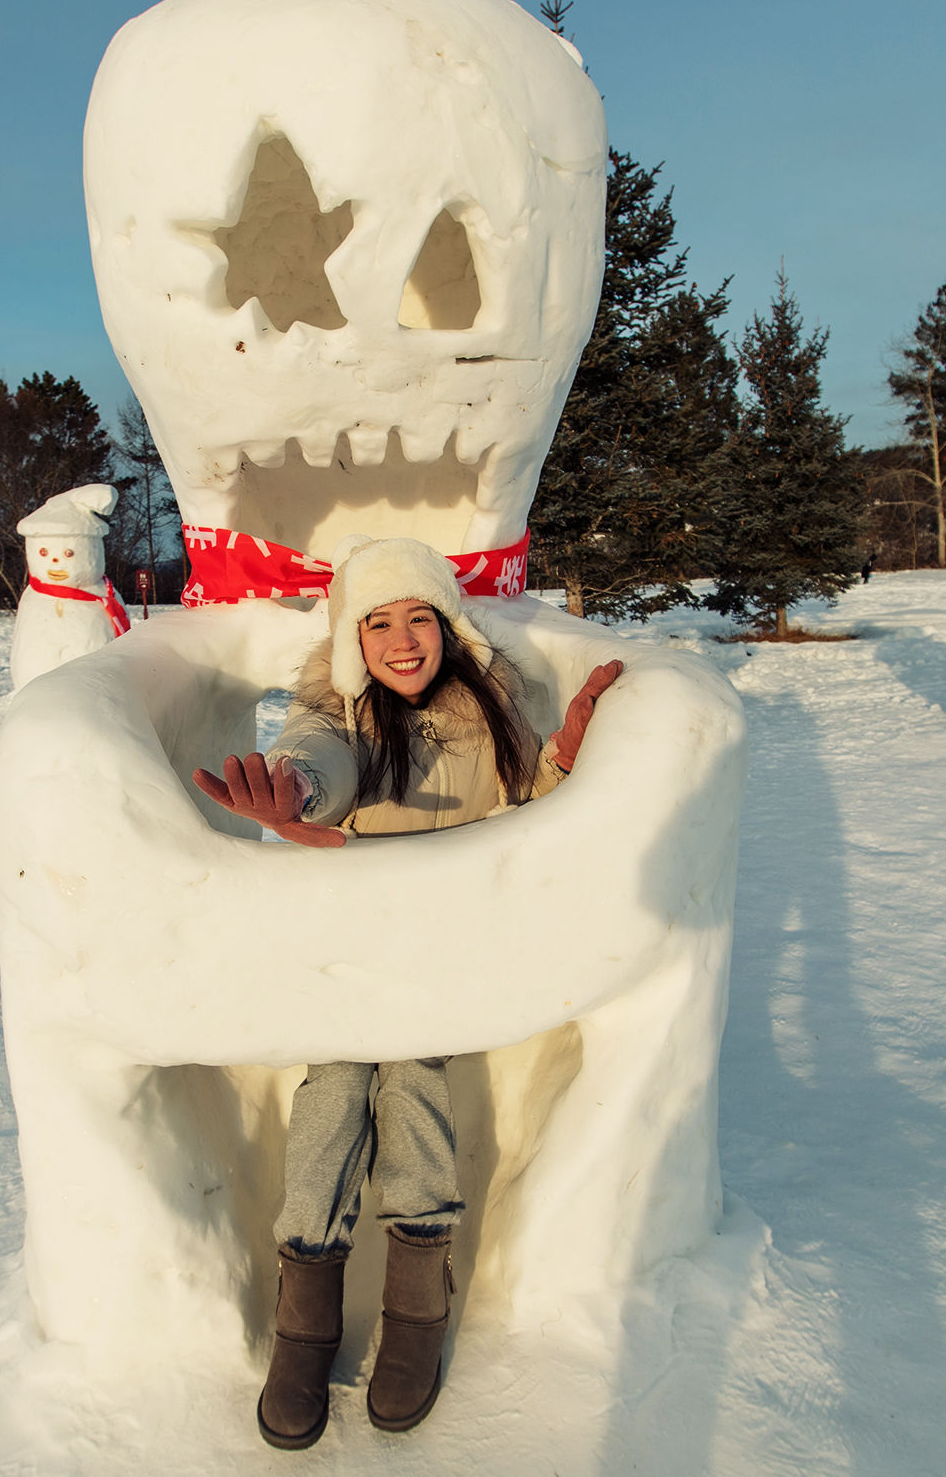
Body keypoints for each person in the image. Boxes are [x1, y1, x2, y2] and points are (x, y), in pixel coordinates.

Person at [191, 537, 621, 1450]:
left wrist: (569, 759)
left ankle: (417, 1306)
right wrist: (296, 794)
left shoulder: (490, 710)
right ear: (354, 640)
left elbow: (522, 804)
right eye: (377, 622)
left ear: (446, 626)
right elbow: (318, 759)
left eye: (417, 616)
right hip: (352, 950)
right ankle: (304, 1316)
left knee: (415, 1079)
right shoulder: (338, 712)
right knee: (337, 1087)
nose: (400, 638)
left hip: (445, 950)